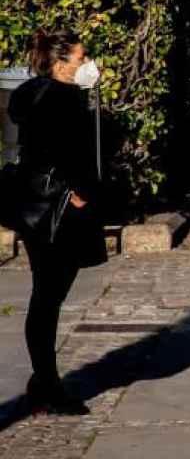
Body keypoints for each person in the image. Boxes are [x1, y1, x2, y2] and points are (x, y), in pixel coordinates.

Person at [7, 31, 106, 416]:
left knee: (45, 294)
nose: (87, 64)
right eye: (82, 58)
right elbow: (66, 150)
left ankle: (43, 378)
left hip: (34, 204)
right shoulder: (62, 99)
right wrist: (81, 191)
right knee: (48, 296)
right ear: (61, 62)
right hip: (58, 207)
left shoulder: (32, 93)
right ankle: (47, 383)